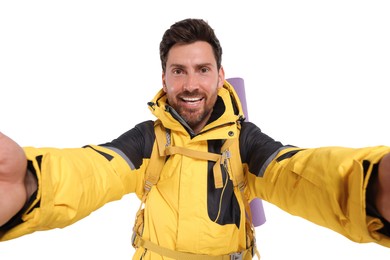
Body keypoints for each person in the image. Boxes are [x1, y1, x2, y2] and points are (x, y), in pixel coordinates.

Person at [0, 18, 389, 259]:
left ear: (221, 76)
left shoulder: (246, 143)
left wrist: (368, 186)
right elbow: (95, 170)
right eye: (178, 71)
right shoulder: (147, 140)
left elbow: (297, 173)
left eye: (202, 70)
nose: (190, 85)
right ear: (164, 79)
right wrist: (32, 183)